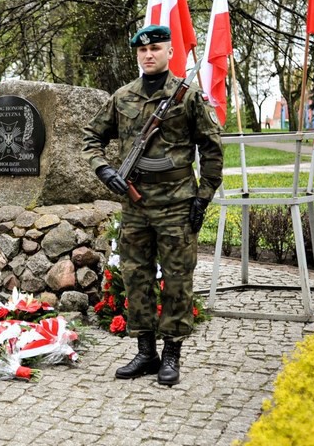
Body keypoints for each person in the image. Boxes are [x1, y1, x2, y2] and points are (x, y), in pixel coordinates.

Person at [82, 25, 223, 386]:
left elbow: (211, 149)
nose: (149, 55)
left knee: (177, 280)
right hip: (136, 204)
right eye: (142, 51)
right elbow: (91, 137)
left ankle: (172, 355)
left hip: (177, 203)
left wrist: (203, 197)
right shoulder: (123, 97)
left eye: (156, 48)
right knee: (136, 277)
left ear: (169, 52)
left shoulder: (187, 96)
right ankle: (146, 352)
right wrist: (105, 170)